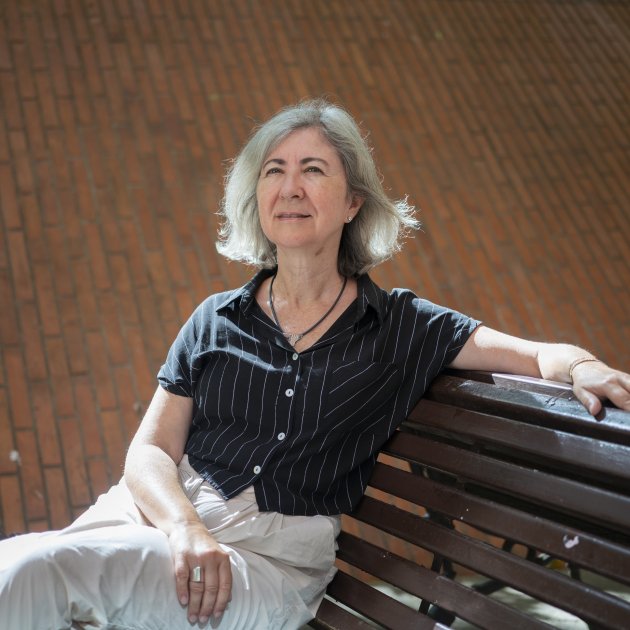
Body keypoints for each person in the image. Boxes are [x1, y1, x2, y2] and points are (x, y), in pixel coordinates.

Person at [1, 99, 629, 630]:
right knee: (17, 574)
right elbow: (149, 452)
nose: (290, 187)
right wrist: (183, 526)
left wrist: (581, 365)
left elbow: (537, 353)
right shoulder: (216, 318)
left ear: (353, 201)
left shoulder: (398, 327)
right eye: (274, 170)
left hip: (262, 563)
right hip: (158, 520)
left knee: (30, 573)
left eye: (313, 170)